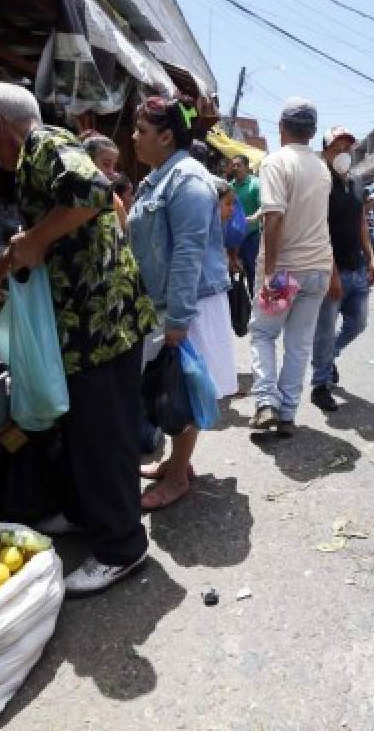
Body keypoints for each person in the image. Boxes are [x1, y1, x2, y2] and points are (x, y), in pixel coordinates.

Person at [0, 83, 154, 596]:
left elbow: (94, 192)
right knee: (86, 432)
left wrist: (34, 239)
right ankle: (85, 514)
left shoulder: (45, 145)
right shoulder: (42, 150)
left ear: (0, 128)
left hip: (98, 324)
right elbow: (38, 237)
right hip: (94, 321)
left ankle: (122, 549)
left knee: (103, 437)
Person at [128, 96, 236, 511]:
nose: (135, 138)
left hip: (188, 303)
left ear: (167, 135)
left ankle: (177, 477)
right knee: (169, 384)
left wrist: (178, 318)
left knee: (182, 388)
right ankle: (178, 461)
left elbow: (189, 252)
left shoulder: (186, 179)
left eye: (141, 131)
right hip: (168, 300)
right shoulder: (160, 177)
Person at [248, 98, 333, 437]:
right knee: (299, 344)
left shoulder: (276, 163)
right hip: (318, 271)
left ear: (281, 128)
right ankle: (286, 414)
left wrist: (269, 274)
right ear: (312, 132)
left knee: (263, 334)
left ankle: (266, 401)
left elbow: (273, 219)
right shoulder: (322, 167)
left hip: (285, 272)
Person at [309, 125, 374, 412]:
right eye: (336, 148)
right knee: (324, 331)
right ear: (325, 152)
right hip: (331, 271)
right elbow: (320, 231)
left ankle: (329, 359)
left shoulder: (357, 182)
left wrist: (372, 258)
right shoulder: (321, 184)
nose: (342, 153)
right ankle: (320, 385)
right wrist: (333, 272)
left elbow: (362, 223)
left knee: (358, 323)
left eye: (347, 148)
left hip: (357, 269)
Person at [229, 154, 263, 294]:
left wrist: (254, 217)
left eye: (239, 165)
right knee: (231, 273)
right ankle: (235, 311)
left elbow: (264, 205)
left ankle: (254, 309)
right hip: (232, 238)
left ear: (246, 167)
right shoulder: (229, 187)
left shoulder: (255, 184)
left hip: (251, 237)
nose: (235, 167)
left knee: (252, 273)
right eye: (233, 165)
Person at [82, 133, 128, 231]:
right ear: (88, 161)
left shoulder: (112, 197)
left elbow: (125, 230)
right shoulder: (78, 196)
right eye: (106, 164)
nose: (112, 172)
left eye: (114, 166)